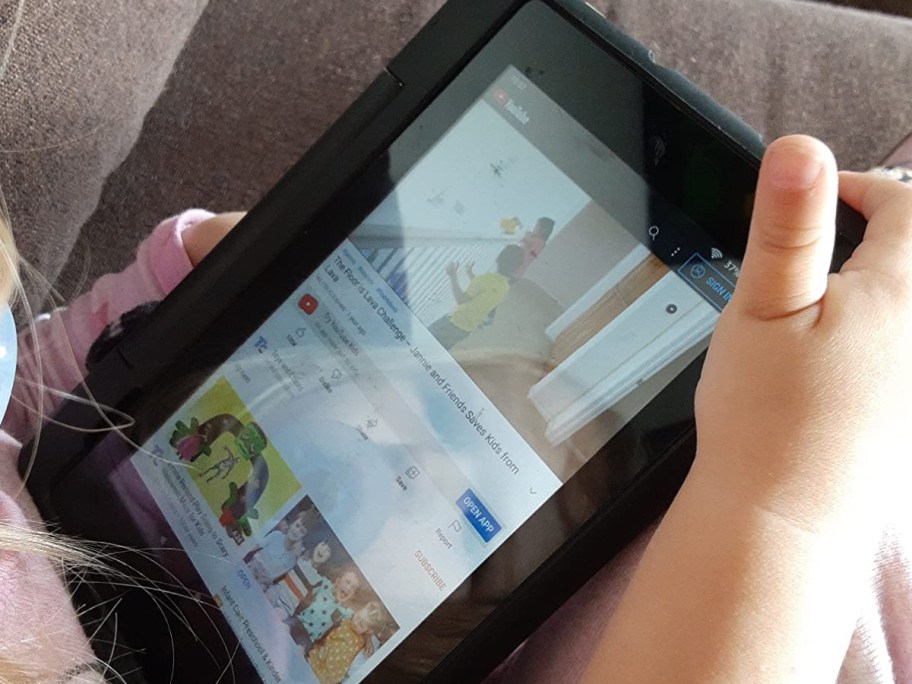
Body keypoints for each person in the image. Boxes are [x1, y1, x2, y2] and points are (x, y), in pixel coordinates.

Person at [428, 244, 525, 349]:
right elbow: (485, 290)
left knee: (423, 340)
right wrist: (470, 273)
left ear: (498, 258)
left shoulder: (484, 279)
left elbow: (461, 299)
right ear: (517, 267)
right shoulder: (505, 287)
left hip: (454, 322)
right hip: (466, 329)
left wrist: (452, 275)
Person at [306, 601, 386, 684]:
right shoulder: (348, 618)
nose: (355, 623)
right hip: (325, 650)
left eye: (361, 625)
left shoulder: (360, 641)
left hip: (334, 667)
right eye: (358, 616)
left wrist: (368, 638)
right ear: (358, 611)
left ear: (368, 631)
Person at [245, 510, 310, 589]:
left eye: (302, 531)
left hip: (265, 579)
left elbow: (277, 576)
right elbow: (255, 546)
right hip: (255, 565)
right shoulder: (276, 535)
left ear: (302, 538)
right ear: (291, 524)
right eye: (297, 525)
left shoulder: (291, 559)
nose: (297, 531)